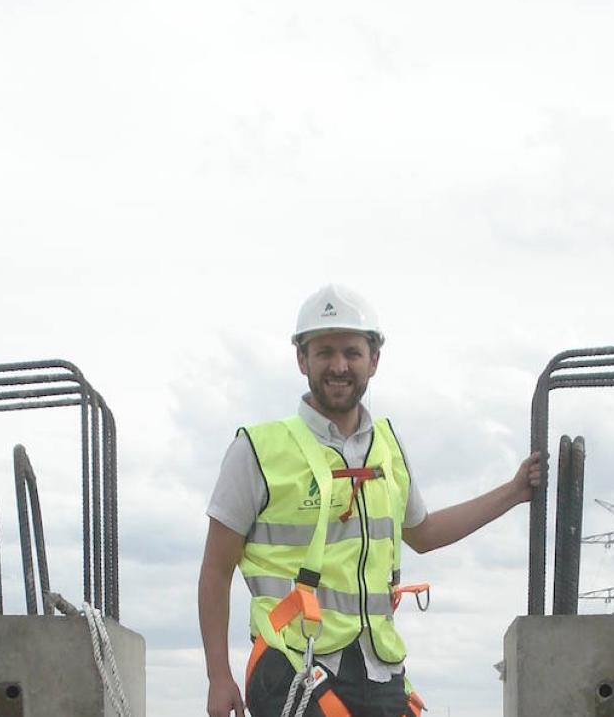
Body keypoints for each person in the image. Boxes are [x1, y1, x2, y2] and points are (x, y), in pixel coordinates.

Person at [199, 284, 543, 717]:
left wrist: (513, 492)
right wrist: (218, 675)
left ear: (373, 360)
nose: (338, 365)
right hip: (292, 664)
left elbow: (425, 533)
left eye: (351, 352)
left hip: (379, 669)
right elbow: (215, 569)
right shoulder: (257, 450)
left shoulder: (388, 447)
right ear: (302, 359)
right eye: (323, 352)